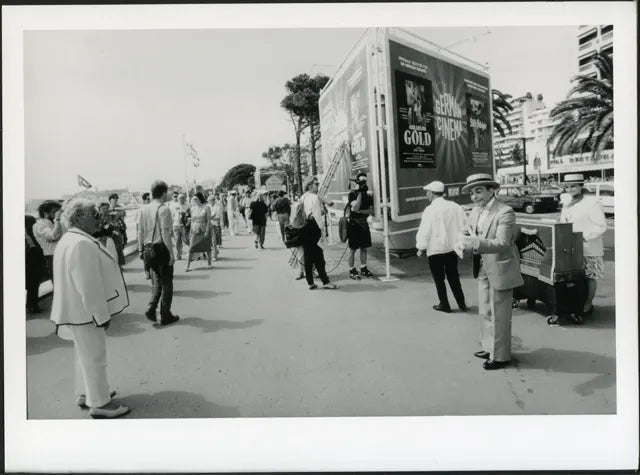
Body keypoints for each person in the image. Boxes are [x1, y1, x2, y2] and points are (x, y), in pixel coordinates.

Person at [50, 198, 130, 418]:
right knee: (95, 356)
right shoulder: (82, 244)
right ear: (80, 218)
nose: (98, 218)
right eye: (93, 214)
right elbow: (89, 286)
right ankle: (100, 403)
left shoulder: (69, 239)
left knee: (83, 356)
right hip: (85, 312)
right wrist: (100, 315)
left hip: (75, 311)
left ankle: (86, 393)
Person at [456, 173, 523, 370]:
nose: (474, 197)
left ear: (492, 190)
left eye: (478, 191)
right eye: (471, 193)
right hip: (483, 266)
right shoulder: (476, 211)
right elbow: (469, 230)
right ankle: (489, 347)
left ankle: (501, 356)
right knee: (485, 310)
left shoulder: (505, 212)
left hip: (500, 267)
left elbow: (502, 243)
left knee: (499, 314)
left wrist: (475, 243)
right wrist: (463, 237)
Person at [559, 173, 607, 317]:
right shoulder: (567, 201)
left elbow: (601, 225)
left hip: (589, 246)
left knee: (590, 276)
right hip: (571, 247)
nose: (570, 189)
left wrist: (584, 237)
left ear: (581, 186)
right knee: (574, 277)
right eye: (567, 187)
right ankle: (575, 303)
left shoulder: (592, 202)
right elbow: (564, 222)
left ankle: (587, 304)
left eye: (573, 186)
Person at [415, 181, 468, 313]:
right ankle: (461, 303)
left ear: (433, 193)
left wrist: (421, 247)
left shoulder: (430, 210)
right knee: (454, 277)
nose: (426, 195)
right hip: (451, 248)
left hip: (435, 250)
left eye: (427, 192)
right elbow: (464, 226)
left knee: (439, 279)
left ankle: (444, 304)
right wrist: (461, 243)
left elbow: (425, 230)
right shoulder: (455, 206)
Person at [137, 180, 179, 326]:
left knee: (157, 281)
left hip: (148, 249)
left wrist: (140, 249)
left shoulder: (143, 209)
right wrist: (171, 253)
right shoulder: (163, 209)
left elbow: (140, 231)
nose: (169, 194)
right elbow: (165, 233)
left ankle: (151, 307)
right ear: (163, 193)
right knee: (167, 283)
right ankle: (165, 314)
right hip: (160, 249)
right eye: (167, 192)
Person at [290, 201, 337, 290]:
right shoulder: (310, 221)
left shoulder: (296, 222)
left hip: (306, 247)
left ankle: (310, 283)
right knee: (320, 264)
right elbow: (318, 233)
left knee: (308, 264)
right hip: (316, 246)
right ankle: (326, 282)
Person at [346, 172, 374, 280]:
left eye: (365, 181)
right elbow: (356, 206)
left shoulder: (368, 196)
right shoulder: (352, 194)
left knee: (364, 248)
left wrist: (360, 211)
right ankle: (352, 269)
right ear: (357, 181)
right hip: (353, 224)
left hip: (364, 224)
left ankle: (363, 268)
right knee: (352, 249)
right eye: (361, 181)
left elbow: (370, 211)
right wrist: (359, 194)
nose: (363, 183)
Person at [33, 200, 63, 283]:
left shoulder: (54, 223)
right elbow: (54, 236)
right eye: (55, 212)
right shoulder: (39, 225)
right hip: (52, 257)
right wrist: (57, 219)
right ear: (45, 212)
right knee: (59, 285)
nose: (57, 214)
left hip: (61, 255)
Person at [186, 192, 213, 271]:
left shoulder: (207, 207)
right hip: (195, 229)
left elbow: (208, 220)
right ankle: (187, 265)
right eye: (193, 199)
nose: (194, 200)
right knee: (191, 248)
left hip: (204, 229)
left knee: (207, 247)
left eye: (196, 199)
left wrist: (207, 231)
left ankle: (209, 263)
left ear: (200, 199)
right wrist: (191, 231)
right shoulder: (192, 208)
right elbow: (192, 221)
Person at [25, 215, 45, 313]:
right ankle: (33, 305)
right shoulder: (32, 235)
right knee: (34, 286)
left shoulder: (26, 235)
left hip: (29, 264)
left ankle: (31, 305)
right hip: (35, 263)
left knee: (31, 286)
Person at [108, 193, 127, 267]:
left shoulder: (121, 208)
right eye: (114, 198)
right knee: (112, 246)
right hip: (110, 229)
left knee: (121, 245)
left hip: (120, 228)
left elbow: (122, 218)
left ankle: (120, 264)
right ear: (110, 199)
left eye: (117, 198)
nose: (116, 199)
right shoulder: (107, 208)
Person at [169, 193, 190, 260]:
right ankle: (178, 255)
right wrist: (170, 227)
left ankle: (194, 252)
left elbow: (190, 215)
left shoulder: (188, 205)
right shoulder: (173, 206)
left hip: (184, 226)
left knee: (186, 240)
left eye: (183, 197)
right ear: (177, 199)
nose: (181, 199)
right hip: (176, 225)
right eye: (180, 198)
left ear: (185, 198)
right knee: (177, 241)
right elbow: (171, 217)